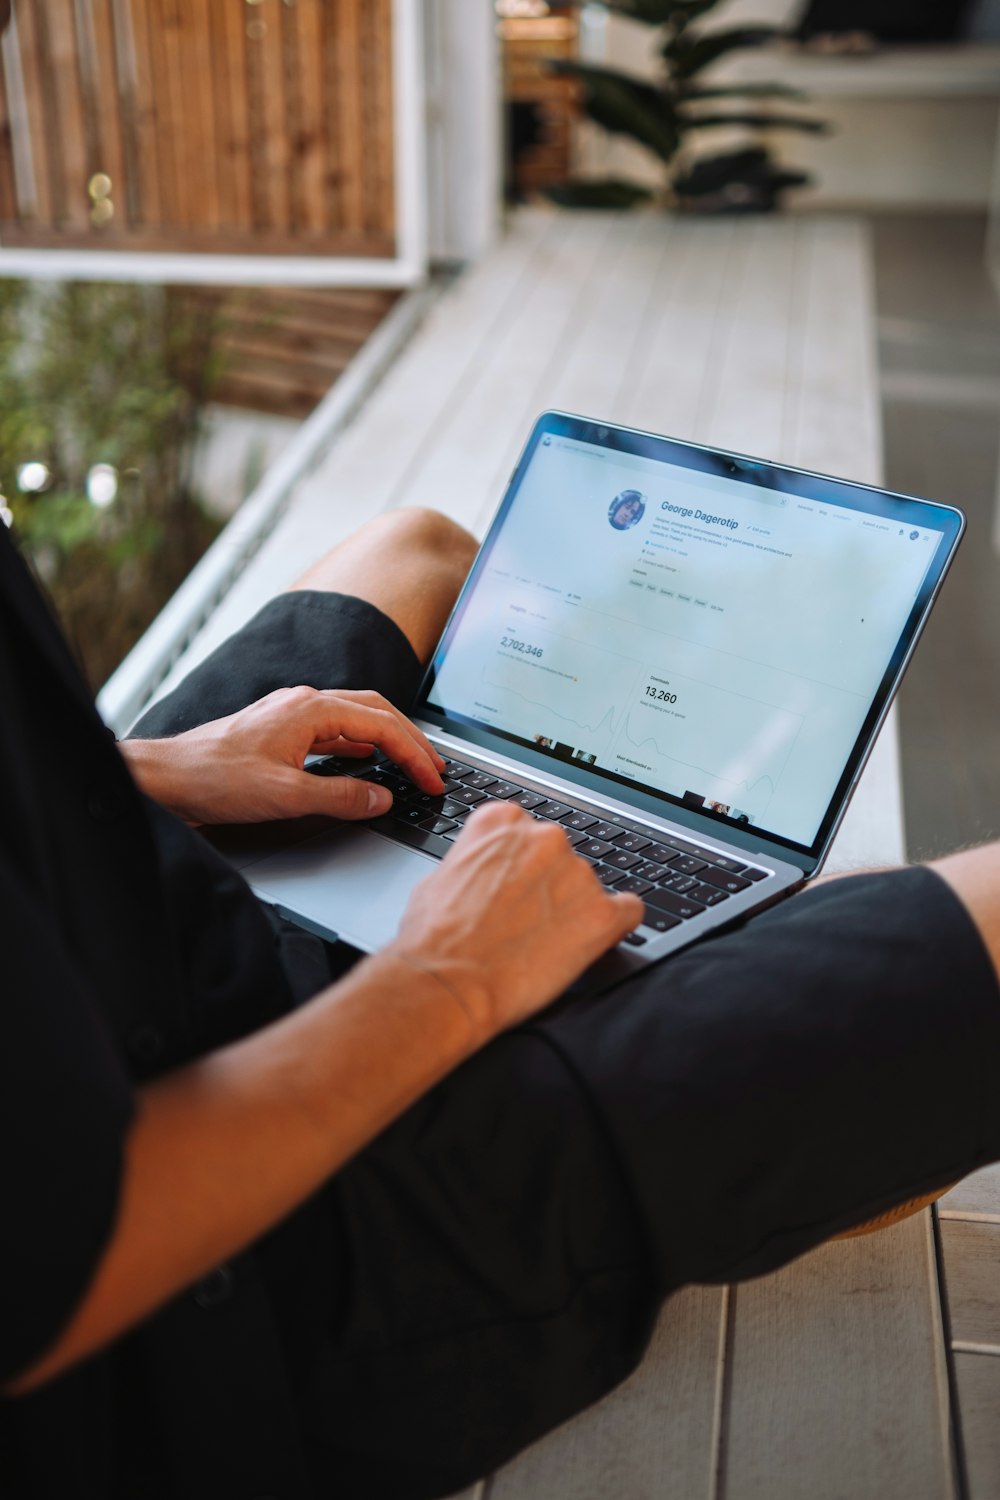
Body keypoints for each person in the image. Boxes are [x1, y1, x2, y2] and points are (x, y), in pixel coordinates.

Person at [2, 507, 1000, 1500]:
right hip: (236, 1276)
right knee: (927, 917)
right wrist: (449, 980)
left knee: (414, 548)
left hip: (125, 902)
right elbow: (53, 1265)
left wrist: (167, 771)